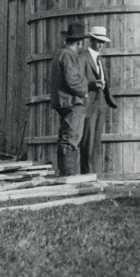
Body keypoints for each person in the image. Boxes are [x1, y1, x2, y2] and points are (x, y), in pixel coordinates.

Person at [50, 22, 90, 177]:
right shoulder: (68, 55)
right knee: (71, 138)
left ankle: (65, 172)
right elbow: (72, 80)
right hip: (72, 102)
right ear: (79, 42)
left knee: (66, 136)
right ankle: (68, 174)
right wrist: (84, 93)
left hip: (65, 101)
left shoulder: (61, 54)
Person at [79, 25, 118, 176]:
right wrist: (91, 84)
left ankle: (93, 174)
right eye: (98, 41)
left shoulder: (99, 59)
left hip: (101, 103)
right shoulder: (83, 57)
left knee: (96, 142)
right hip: (89, 104)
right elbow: (78, 80)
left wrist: (107, 101)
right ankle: (86, 175)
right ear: (91, 40)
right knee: (87, 142)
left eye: (103, 42)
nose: (100, 45)